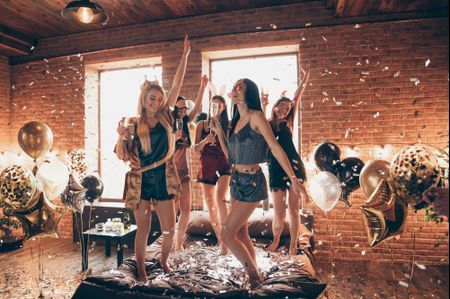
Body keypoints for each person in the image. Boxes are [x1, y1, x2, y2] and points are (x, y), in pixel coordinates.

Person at [210, 78, 308, 289]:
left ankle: (254, 277)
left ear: (249, 93)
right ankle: (255, 268)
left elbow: (274, 147)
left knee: (227, 234)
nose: (234, 89)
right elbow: (231, 157)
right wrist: (219, 132)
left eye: (239, 87)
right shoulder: (235, 121)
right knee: (241, 233)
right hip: (236, 180)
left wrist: (293, 179)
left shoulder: (257, 117)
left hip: (252, 182)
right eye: (234, 86)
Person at [114, 35, 190, 282]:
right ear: (144, 100)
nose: (157, 102)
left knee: (169, 228)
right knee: (143, 230)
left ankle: (164, 260)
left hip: (164, 178)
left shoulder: (168, 117)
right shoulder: (134, 124)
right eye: (152, 99)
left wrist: (185, 55)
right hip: (141, 180)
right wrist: (120, 137)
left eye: (159, 99)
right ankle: (142, 271)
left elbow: (177, 85)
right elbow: (121, 155)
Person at [263, 67, 311, 255]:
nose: (284, 110)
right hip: (275, 168)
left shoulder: (288, 123)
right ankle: (276, 239)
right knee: (279, 212)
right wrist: (264, 104)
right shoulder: (267, 123)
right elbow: (260, 117)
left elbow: (296, 98)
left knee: (293, 210)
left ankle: (292, 245)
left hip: (295, 167)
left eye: (287, 108)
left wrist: (305, 78)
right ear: (275, 108)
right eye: (281, 108)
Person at [172, 75, 208, 251]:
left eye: (185, 109)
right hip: (169, 174)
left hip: (184, 172)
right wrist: (173, 138)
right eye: (179, 109)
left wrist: (202, 86)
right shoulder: (167, 126)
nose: (183, 112)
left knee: (186, 210)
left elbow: (198, 107)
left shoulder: (186, 123)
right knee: (172, 212)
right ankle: (169, 242)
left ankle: (179, 243)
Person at [194, 95, 231, 254]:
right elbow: (195, 149)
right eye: (213, 105)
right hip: (207, 163)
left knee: (221, 199)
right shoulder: (201, 125)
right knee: (210, 202)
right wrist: (205, 141)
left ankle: (228, 240)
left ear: (223, 109)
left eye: (219, 106)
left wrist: (220, 133)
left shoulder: (228, 125)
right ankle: (220, 239)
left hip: (223, 163)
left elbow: (231, 149)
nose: (215, 108)